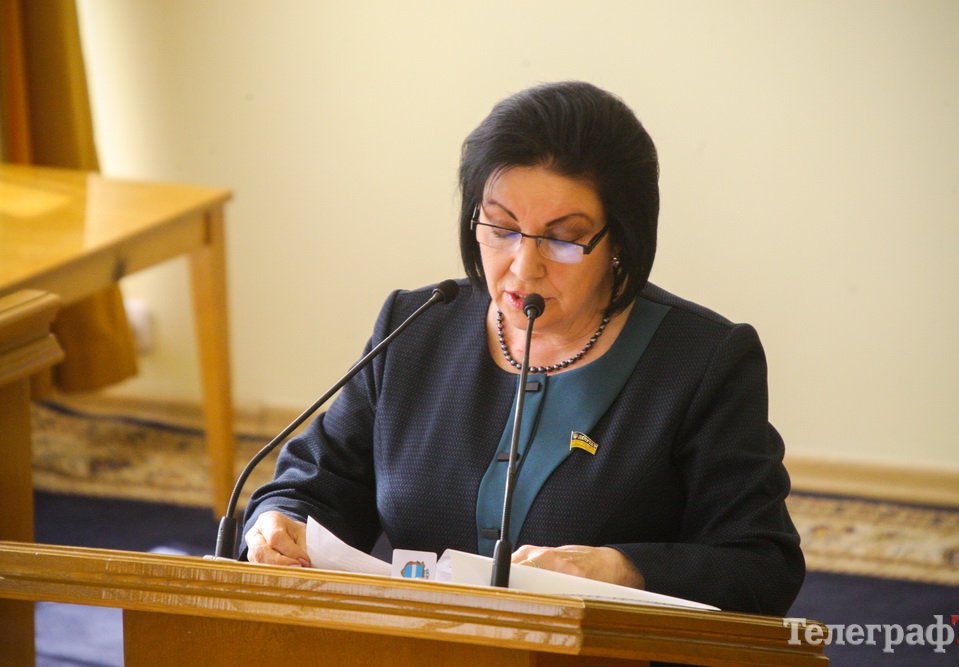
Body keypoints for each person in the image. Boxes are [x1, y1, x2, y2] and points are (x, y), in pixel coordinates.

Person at [242, 81, 804, 615]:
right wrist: (280, 522)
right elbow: (315, 484)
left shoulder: (703, 361)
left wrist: (621, 569)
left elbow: (761, 566)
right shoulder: (416, 325)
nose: (523, 266)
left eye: (562, 238)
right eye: (501, 227)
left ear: (620, 239)